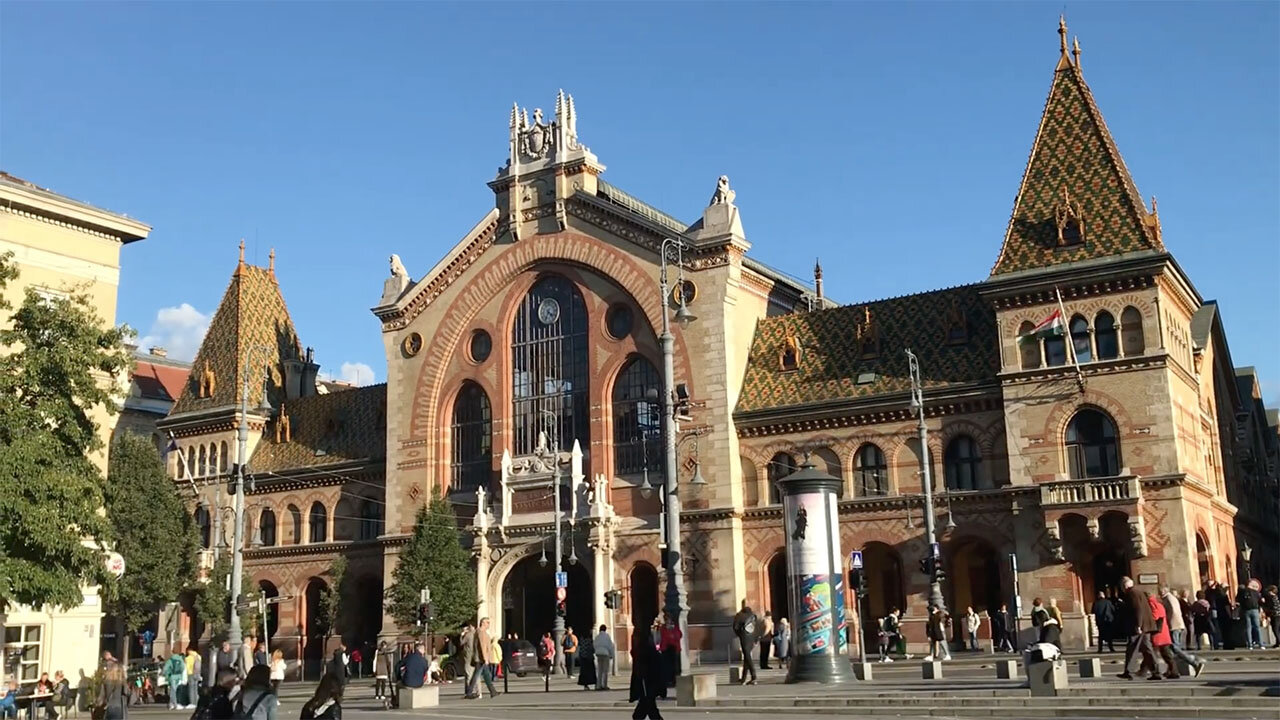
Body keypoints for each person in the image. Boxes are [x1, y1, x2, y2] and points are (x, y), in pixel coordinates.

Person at [1118, 577, 1159, 680]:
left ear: (1125, 586)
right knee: (1147, 649)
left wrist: (1138, 625)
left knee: (1132, 648)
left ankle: (1129, 671)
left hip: (1140, 626)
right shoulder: (1138, 592)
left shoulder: (1132, 593)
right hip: (1145, 625)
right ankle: (1156, 672)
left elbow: (1138, 609)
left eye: (1122, 586)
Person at [628, 626, 664, 720]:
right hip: (648, 682)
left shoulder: (644, 650)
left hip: (646, 681)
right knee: (648, 708)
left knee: (646, 709)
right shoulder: (647, 649)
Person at [466, 618, 499, 699]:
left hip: (480, 658)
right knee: (476, 676)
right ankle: (469, 692)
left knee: (486, 675)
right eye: (487, 622)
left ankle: (493, 691)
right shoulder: (481, 633)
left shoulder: (480, 632)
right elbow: (483, 646)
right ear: (483, 623)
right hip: (481, 659)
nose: (489, 624)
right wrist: (485, 658)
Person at [731, 599, 758, 685]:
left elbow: (735, 627)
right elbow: (756, 628)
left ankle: (754, 677)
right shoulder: (753, 616)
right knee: (747, 658)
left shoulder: (739, 615)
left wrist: (740, 634)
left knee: (747, 657)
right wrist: (755, 638)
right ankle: (743, 678)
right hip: (752, 638)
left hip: (744, 638)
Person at [94, 654, 128, 720]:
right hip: (118, 707)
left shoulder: (106, 680)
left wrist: (97, 703)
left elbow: (101, 695)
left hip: (108, 707)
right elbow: (126, 692)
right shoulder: (121, 681)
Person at [1237, 582, 1264, 650]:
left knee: (1248, 628)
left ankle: (1250, 645)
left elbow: (1238, 600)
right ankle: (1261, 644)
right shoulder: (1256, 592)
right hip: (1255, 610)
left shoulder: (1242, 592)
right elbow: (1261, 601)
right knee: (1257, 627)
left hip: (1246, 611)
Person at [658, 614, 681, 688]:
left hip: (674, 648)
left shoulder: (675, 628)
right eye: (666, 619)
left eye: (668, 619)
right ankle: (668, 680)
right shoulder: (663, 628)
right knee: (666, 666)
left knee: (675, 665)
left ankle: (674, 680)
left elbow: (679, 635)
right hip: (666, 648)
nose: (667, 621)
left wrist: (671, 635)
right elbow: (663, 637)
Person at [594, 625, 616, 690]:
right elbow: (610, 646)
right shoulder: (607, 636)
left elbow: (594, 645)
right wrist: (612, 655)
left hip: (598, 654)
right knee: (605, 670)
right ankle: (604, 685)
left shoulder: (597, 637)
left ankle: (598, 685)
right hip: (605, 654)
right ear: (605, 629)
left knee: (599, 670)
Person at [184, 645, 202, 710]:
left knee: (191, 689)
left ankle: (192, 703)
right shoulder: (199, 657)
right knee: (195, 688)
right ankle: (195, 702)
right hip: (197, 674)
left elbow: (186, 668)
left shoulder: (188, 658)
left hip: (191, 674)